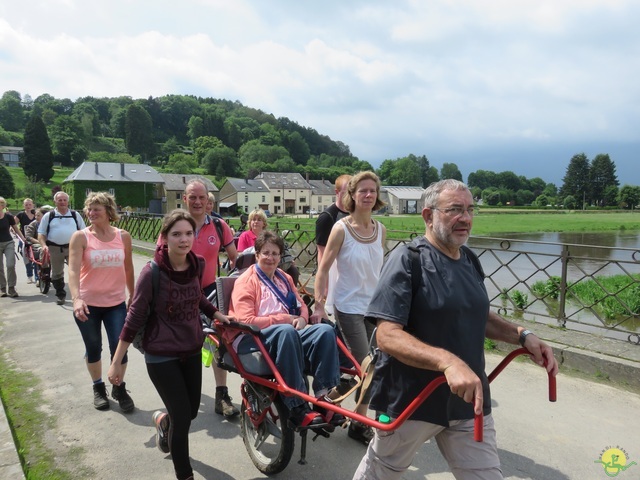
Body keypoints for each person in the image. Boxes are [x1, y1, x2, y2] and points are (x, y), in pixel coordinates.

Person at [353, 179, 559, 480]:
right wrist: (448, 362)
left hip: (468, 401)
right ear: (428, 216)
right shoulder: (407, 260)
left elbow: (480, 316)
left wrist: (523, 336)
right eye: (454, 210)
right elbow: (386, 335)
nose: (465, 218)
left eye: (470, 209)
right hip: (412, 401)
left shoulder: (470, 259)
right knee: (379, 473)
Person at [108, 209, 232, 480]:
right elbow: (134, 317)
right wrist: (117, 359)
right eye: (176, 234)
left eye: (189, 233)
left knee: (188, 412)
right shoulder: (151, 273)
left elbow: (197, 295)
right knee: (183, 418)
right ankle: (184, 474)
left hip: (191, 348)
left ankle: (164, 423)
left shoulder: (197, 264)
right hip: (161, 354)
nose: (184, 239)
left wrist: (216, 314)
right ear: (164, 237)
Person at [226, 230, 343, 430]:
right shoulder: (246, 281)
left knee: (324, 331)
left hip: (285, 333)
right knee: (285, 331)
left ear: (281, 257)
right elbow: (246, 320)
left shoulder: (284, 277)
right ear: (257, 255)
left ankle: (325, 397)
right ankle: (297, 405)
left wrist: (303, 319)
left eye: (275, 254)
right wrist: (286, 319)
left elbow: (301, 305)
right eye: (266, 253)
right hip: (252, 337)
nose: (271, 258)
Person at [313, 171, 387, 444]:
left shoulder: (381, 230)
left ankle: (327, 401)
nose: (368, 195)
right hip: (347, 306)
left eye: (373, 191)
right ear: (352, 195)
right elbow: (323, 269)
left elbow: (378, 271)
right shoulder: (341, 228)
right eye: (363, 191)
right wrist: (320, 305)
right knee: (369, 366)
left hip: (375, 308)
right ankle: (359, 422)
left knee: (373, 366)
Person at [158, 180, 239, 418]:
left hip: (209, 292)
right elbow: (159, 260)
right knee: (182, 344)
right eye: (192, 197)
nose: (197, 202)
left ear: (208, 200)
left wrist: (236, 284)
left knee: (218, 341)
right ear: (184, 199)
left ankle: (221, 395)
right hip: (178, 294)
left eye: (201, 198)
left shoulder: (218, 225)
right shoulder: (174, 225)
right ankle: (180, 395)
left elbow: (235, 259)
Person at [68, 192, 136, 412]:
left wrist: (133, 295)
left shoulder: (123, 236)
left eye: (96, 208)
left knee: (120, 348)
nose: (91, 212)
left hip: (115, 303)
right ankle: (98, 387)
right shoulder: (81, 237)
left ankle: (118, 387)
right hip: (88, 304)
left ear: (109, 211)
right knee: (94, 347)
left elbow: (128, 268)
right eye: (89, 208)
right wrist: (76, 298)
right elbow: (73, 270)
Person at [38, 191, 86, 305]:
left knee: (77, 271)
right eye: (60, 200)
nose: (62, 202)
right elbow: (41, 233)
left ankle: (80, 294)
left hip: (73, 248)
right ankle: (60, 294)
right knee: (57, 273)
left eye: (64, 200)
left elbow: (84, 231)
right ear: (55, 201)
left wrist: (85, 246)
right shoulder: (49, 216)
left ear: (68, 201)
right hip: (54, 248)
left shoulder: (75, 215)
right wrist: (44, 245)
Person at [314, 174, 351, 316]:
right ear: (337, 193)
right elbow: (321, 253)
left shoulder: (355, 215)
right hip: (335, 272)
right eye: (345, 192)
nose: (349, 196)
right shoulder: (327, 217)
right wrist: (325, 285)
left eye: (352, 192)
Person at [0, 197, 27, 298]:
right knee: (0, 268)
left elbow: (16, 229)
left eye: (1, 204)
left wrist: (23, 239)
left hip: (8, 242)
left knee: (10, 265)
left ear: (3, 205)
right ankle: (2, 288)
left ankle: (11, 287)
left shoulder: (8, 216)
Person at [25, 208, 48, 287]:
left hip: (50, 244)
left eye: (38, 215)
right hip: (37, 245)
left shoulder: (50, 224)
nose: (36, 217)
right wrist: (40, 242)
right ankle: (43, 271)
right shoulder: (33, 224)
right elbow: (28, 236)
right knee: (43, 250)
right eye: (35, 215)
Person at [16, 198, 36, 283]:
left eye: (29, 204)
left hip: (35, 239)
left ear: (33, 205)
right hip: (24, 239)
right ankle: (29, 275)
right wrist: (15, 231)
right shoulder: (21, 214)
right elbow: (13, 224)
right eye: (26, 205)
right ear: (23, 206)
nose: (28, 206)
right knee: (25, 255)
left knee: (37, 257)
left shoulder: (36, 214)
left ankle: (38, 277)